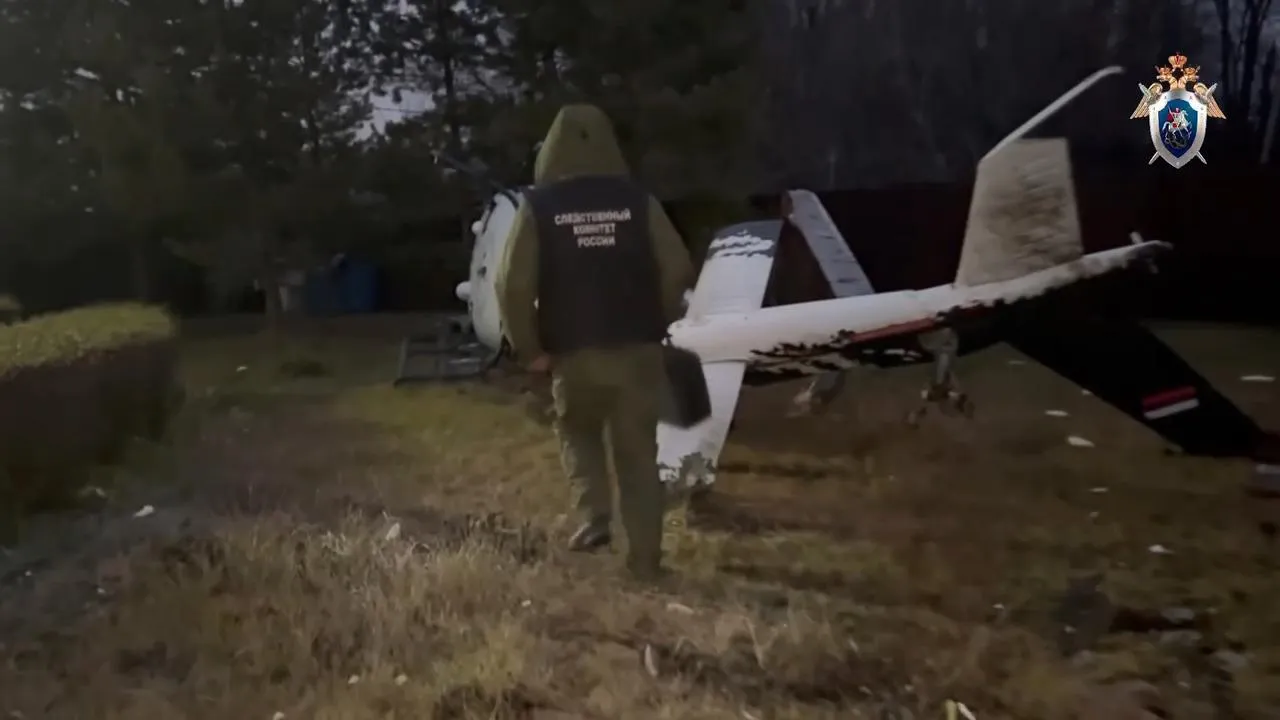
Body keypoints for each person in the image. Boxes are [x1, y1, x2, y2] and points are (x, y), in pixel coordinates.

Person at [494, 103, 695, 580]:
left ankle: (594, 517)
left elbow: (511, 285)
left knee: (576, 428)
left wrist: (530, 349)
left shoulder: (538, 207)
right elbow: (679, 270)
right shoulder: (639, 201)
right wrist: (659, 320)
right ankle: (645, 564)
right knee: (638, 456)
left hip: (573, 353)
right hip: (638, 351)